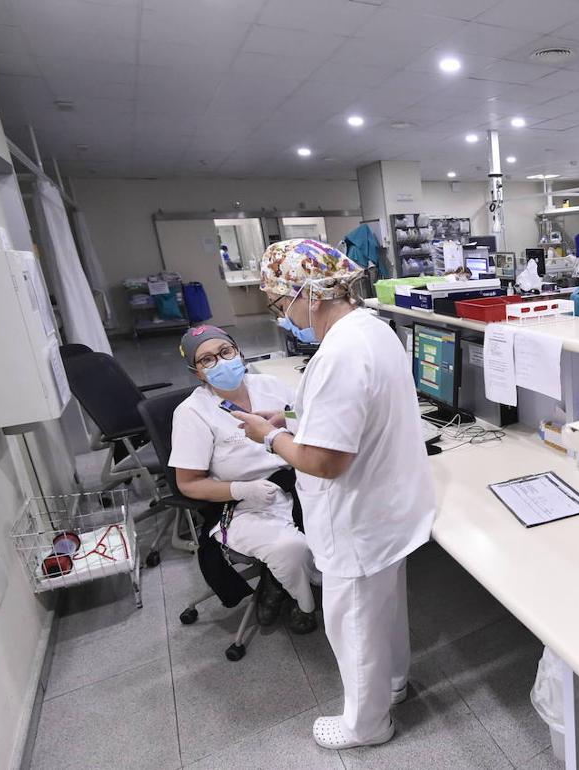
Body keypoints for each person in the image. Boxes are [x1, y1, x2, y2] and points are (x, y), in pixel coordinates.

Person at [233, 239, 436, 751]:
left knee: (355, 624)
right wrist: (297, 418)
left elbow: (326, 461)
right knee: (385, 608)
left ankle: (367, 725)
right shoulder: (373, 330)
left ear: (311, 294)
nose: (284, 317)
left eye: (282, 304)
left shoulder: (339, 354)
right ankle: (393, 686)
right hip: (390, 507)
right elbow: (356, 415)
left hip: (358, 519)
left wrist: (270, 437)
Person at [169, 325, 317, 634]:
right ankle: (303, 604)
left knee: (342, 527)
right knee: (290, 549)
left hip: (298, 483)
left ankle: (277, 581)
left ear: (239, 352)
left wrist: (291, 420)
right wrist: (240, 489)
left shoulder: (271, 384)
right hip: (242, 505)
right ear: (196, 373)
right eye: (207, 360)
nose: (221, 362)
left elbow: (309, 426)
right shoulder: (192, 413)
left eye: (226, 352)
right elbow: (188, 484)